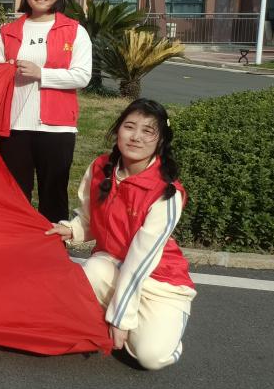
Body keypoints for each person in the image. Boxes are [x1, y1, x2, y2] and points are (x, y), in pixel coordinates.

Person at [46, 99, 195, 370]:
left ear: (161, 141)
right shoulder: (100, 168)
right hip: (111, 267)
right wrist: (71, 229)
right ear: (118, 130)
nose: (136, 137)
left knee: (151, 357)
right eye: (129, 127)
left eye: (148, 131)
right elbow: (90, 218)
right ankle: (122, 317)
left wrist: (121, 318)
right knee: (92, 269)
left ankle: (159, 329)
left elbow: (140, 262)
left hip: (160, 283)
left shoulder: (167, 193)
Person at [0, 0, 92, 222]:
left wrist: (41, 74)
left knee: (53, 195)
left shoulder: (74, 30)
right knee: (15, 195)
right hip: (14, 125)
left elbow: (82, 76)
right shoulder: (9, 31)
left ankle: (54, 244)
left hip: (57, 127)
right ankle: (18, 243)